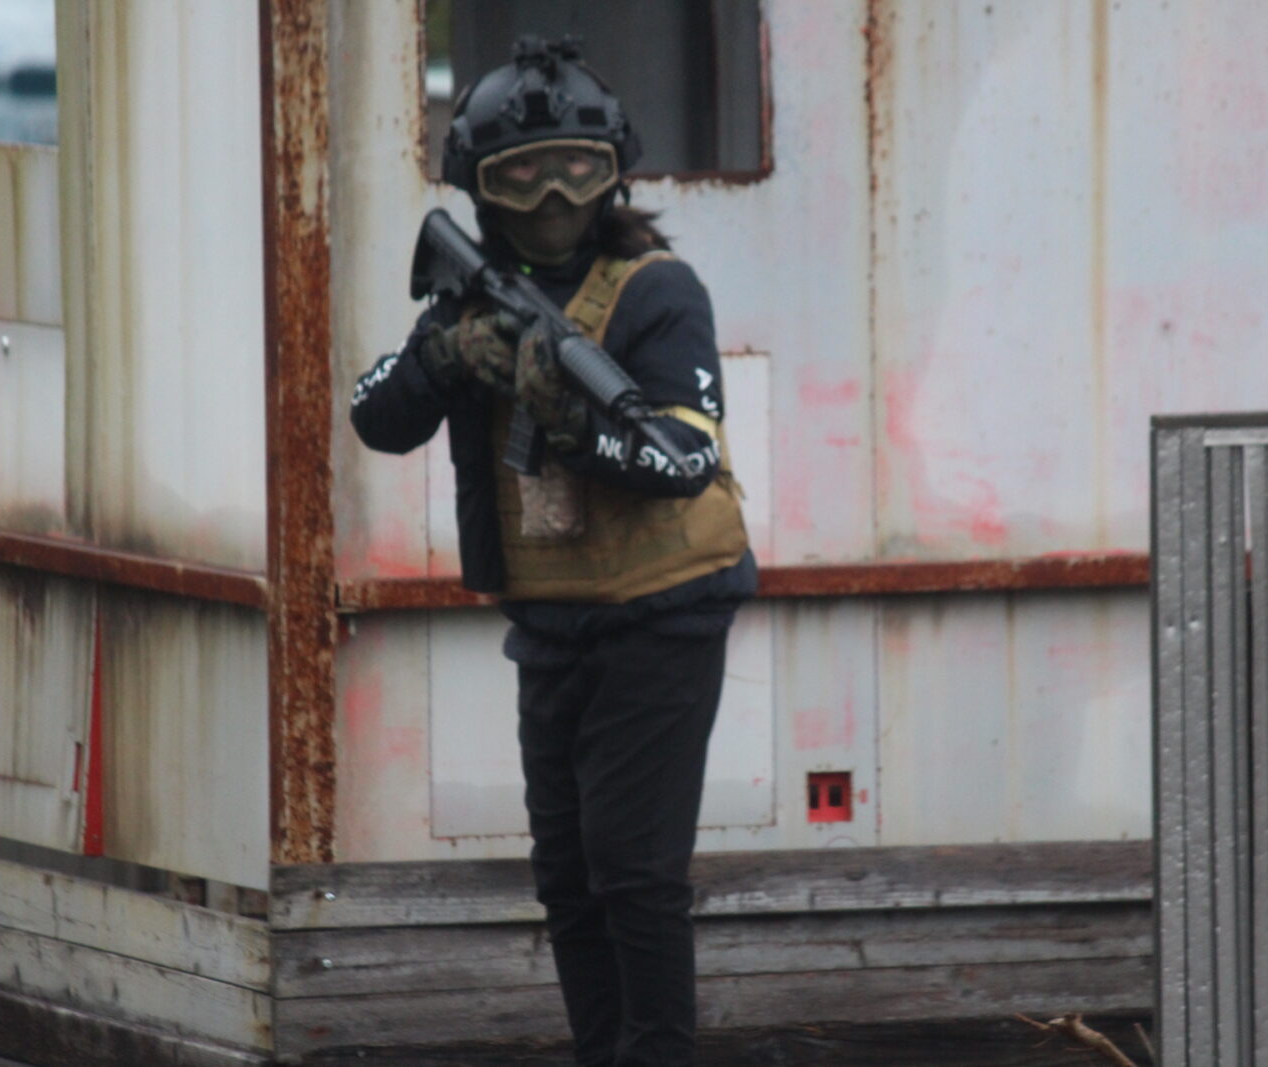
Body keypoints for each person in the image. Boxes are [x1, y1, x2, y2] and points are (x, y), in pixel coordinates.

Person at [348, 35, 756, 1067]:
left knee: (635, 870)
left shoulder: (658, 292)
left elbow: (685, 458)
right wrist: (445, 355)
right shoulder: (467, 299)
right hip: (553, 621)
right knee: (568, 875)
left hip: (664, 611)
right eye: (520, 174)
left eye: (576, 167)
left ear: (614, 171)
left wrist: (574, 423)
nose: (552, 195)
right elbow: (375, 414)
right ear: (478, 188)